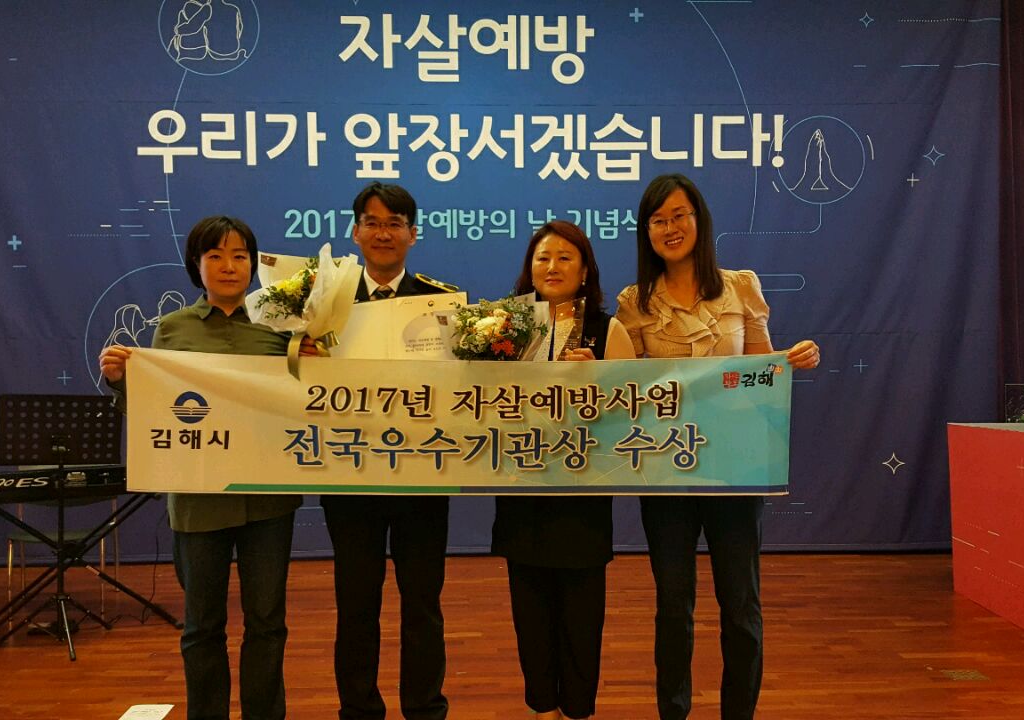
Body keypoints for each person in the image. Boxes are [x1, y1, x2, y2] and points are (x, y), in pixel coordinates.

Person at [614, 174, 821, 720]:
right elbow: (628, 386)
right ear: (646, 232)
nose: (670, 227)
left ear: (699, 220)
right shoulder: (635, 302)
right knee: (673, 605)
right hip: (667, 466)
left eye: (678, 215)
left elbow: (759, 371)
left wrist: (790, 361)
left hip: (735, 465)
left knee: (741, 604)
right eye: (658, 220)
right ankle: (673, 711)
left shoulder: (739, 287)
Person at [100, 216, 307, 720]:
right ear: (197, 265)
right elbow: (155, 409)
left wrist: (317, 359)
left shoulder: (283, 328)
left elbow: (307, 400)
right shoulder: (173, 329)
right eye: (215, 255)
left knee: (267, 623)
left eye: (239, 255)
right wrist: (122, 381)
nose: (228, 266)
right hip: (197, 503)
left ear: (254, 264)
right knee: (202, 626)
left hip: (268, 499)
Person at [324, 182, 458, 720]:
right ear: (355, 232)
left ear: (413, 234)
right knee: (356, 604)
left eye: (395, 223)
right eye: (373, 222)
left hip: (421, 474)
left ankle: (425, 708)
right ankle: (358, 710)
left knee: (423, 603)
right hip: (349, 472)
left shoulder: (440, 302)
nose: (383, 233)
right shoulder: (323, 305)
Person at [491, 221, 634, 720]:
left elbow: (631, 413)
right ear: (529, 269)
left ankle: (577, 710)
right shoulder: (502, 329)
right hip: (522, 489)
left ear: (585, 269)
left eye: (565, 257)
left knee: (581, 618)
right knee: (529, 616)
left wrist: (597, 383)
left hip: (582, 496)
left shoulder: (608, 330)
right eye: (543, 257)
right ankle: (540, 708)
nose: (552, 267)